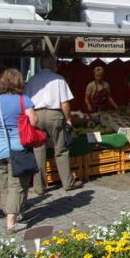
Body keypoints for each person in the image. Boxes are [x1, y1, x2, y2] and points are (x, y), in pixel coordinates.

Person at [0, 69, 38, 232]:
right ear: (19, 82)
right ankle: (11, 222)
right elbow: (34, 121)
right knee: (17, 185)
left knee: (4, 186)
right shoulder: (24, 100)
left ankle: (10, 212)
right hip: (18, 149)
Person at [25, 55, 83, 195]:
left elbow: (27, 102)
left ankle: (39, 186)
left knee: (39, 151)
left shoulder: (32, 80)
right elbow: (65, 103)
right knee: (61, 149)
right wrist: (68, 119)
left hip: (37, 114)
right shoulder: (58, 79)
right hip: (54, 114)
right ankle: (67, 183)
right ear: (53, 65)